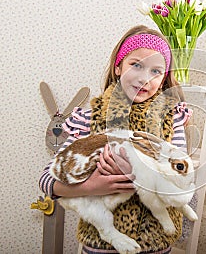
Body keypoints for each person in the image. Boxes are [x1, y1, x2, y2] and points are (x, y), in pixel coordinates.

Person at [39, 25, 192, 254]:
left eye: (155, 71)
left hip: (156, 244)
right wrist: (90, 187)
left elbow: (181, 180)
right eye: (136, 65)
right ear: (118, 67)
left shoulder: (171, 119)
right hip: (100, 246)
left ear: (164, 79)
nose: (144, 78)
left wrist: (142, 172)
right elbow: (47, 181)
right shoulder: (88, 118)